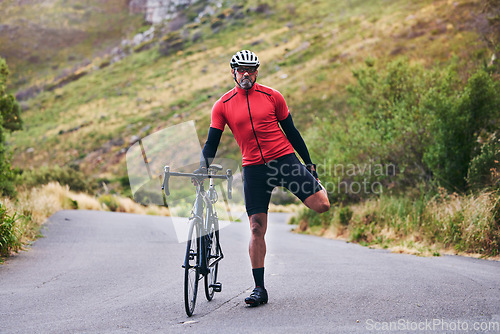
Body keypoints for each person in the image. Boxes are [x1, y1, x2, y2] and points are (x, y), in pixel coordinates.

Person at [197, 50, 330, 307]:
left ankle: (315, 186)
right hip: (254, 169)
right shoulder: (222, 105)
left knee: (322, 206)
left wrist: (308, 163)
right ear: (233, 72)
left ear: (257, 72)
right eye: (241, 70)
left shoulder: (272, 96)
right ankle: (259, 289)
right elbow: (211, 142)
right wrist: (203, 167)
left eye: (251, 70)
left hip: (284, 160)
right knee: (256, 228)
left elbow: (291, 131)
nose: (246, 74)